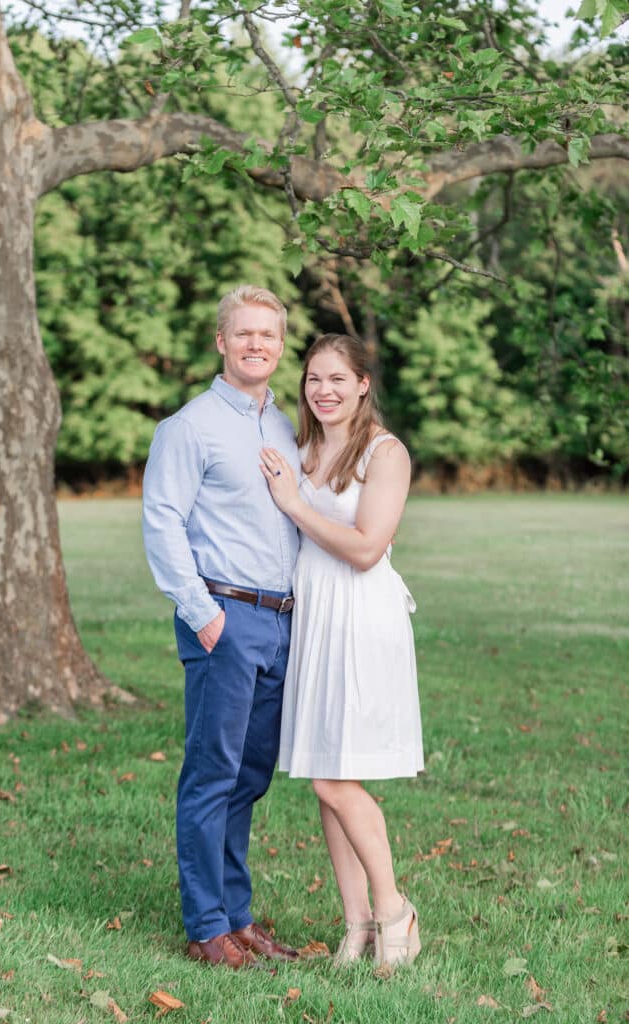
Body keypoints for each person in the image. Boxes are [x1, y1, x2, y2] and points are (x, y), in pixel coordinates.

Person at [142, 285, 301, 969]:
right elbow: (162, 521)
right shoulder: (190, 426)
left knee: (249, 777)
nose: (256, 344)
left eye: (267, 334)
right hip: (224, 616)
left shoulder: (286, 428)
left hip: (280, 620)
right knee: (212, 775)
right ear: (221, 342)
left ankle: (238, 915)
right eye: (244, 334)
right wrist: (204, 617)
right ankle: (206, 924)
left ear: (281, 344)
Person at [259, 333, 424, 975]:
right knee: (324, 777)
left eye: (336, 379)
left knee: (335, 775)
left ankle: (394, 911)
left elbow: (365, 548)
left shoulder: (386, 453)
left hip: (362, 619)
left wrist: (297, 505)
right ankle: (356, 923)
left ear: (362, 384)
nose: (322, 390)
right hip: (315, 620)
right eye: (312, 379)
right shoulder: (302, 449)